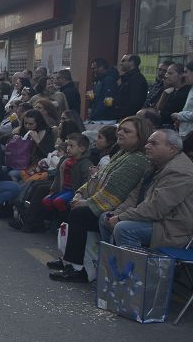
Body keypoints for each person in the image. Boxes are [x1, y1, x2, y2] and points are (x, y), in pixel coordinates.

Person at [48, 116, 152, 282]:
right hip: (102, 203)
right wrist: (80, 194)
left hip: (118, 209)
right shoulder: (123, 152)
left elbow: (115, 191)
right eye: (120, 129)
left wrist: (86, 202)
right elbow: (98, 178)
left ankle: (79, 269)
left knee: (79, 214)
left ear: (140, 136)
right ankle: (69, 261)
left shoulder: (137, 160)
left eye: (127, 131)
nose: (121, 133)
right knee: (73, 208)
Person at [99, 128, 193, 251]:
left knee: (124, 228)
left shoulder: (180, 171)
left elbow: (156, 208)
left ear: (172, 149)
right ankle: (112, 263)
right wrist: (116, 214)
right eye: (148, 142)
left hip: (173, 229)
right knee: (105, 218)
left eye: (153, 143)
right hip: (155, 220)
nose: (147, 146)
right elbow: (134, 197)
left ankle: (134, 269)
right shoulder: (154, 165)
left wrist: (121, 217)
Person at [156, 61, 191, 128]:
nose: (166, 75)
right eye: (167, 72)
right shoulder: (172, 90)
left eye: (170, 73)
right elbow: (158, 108)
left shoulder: (186, 93)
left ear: (181, 75)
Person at [115, 54, 148, 119]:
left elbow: (135, 101)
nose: (120, 63)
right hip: (122, 117)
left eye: (123, 61)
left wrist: (124, 116)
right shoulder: (127, 78)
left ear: (132, 62)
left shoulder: (137, 79)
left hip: (128, 118)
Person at [87, 58, 118, 122]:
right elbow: (96, 98)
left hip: (104, 118)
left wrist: (96, 113)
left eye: (94, 68)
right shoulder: (98, 80)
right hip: (97, 116)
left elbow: (109, 99)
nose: (92, 70)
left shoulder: (109, 80)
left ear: (101, 67)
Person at [171, 60, 193, 138]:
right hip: (185, 133)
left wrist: (178, 115)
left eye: (186, 72)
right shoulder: (191, 88)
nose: (184, 75)